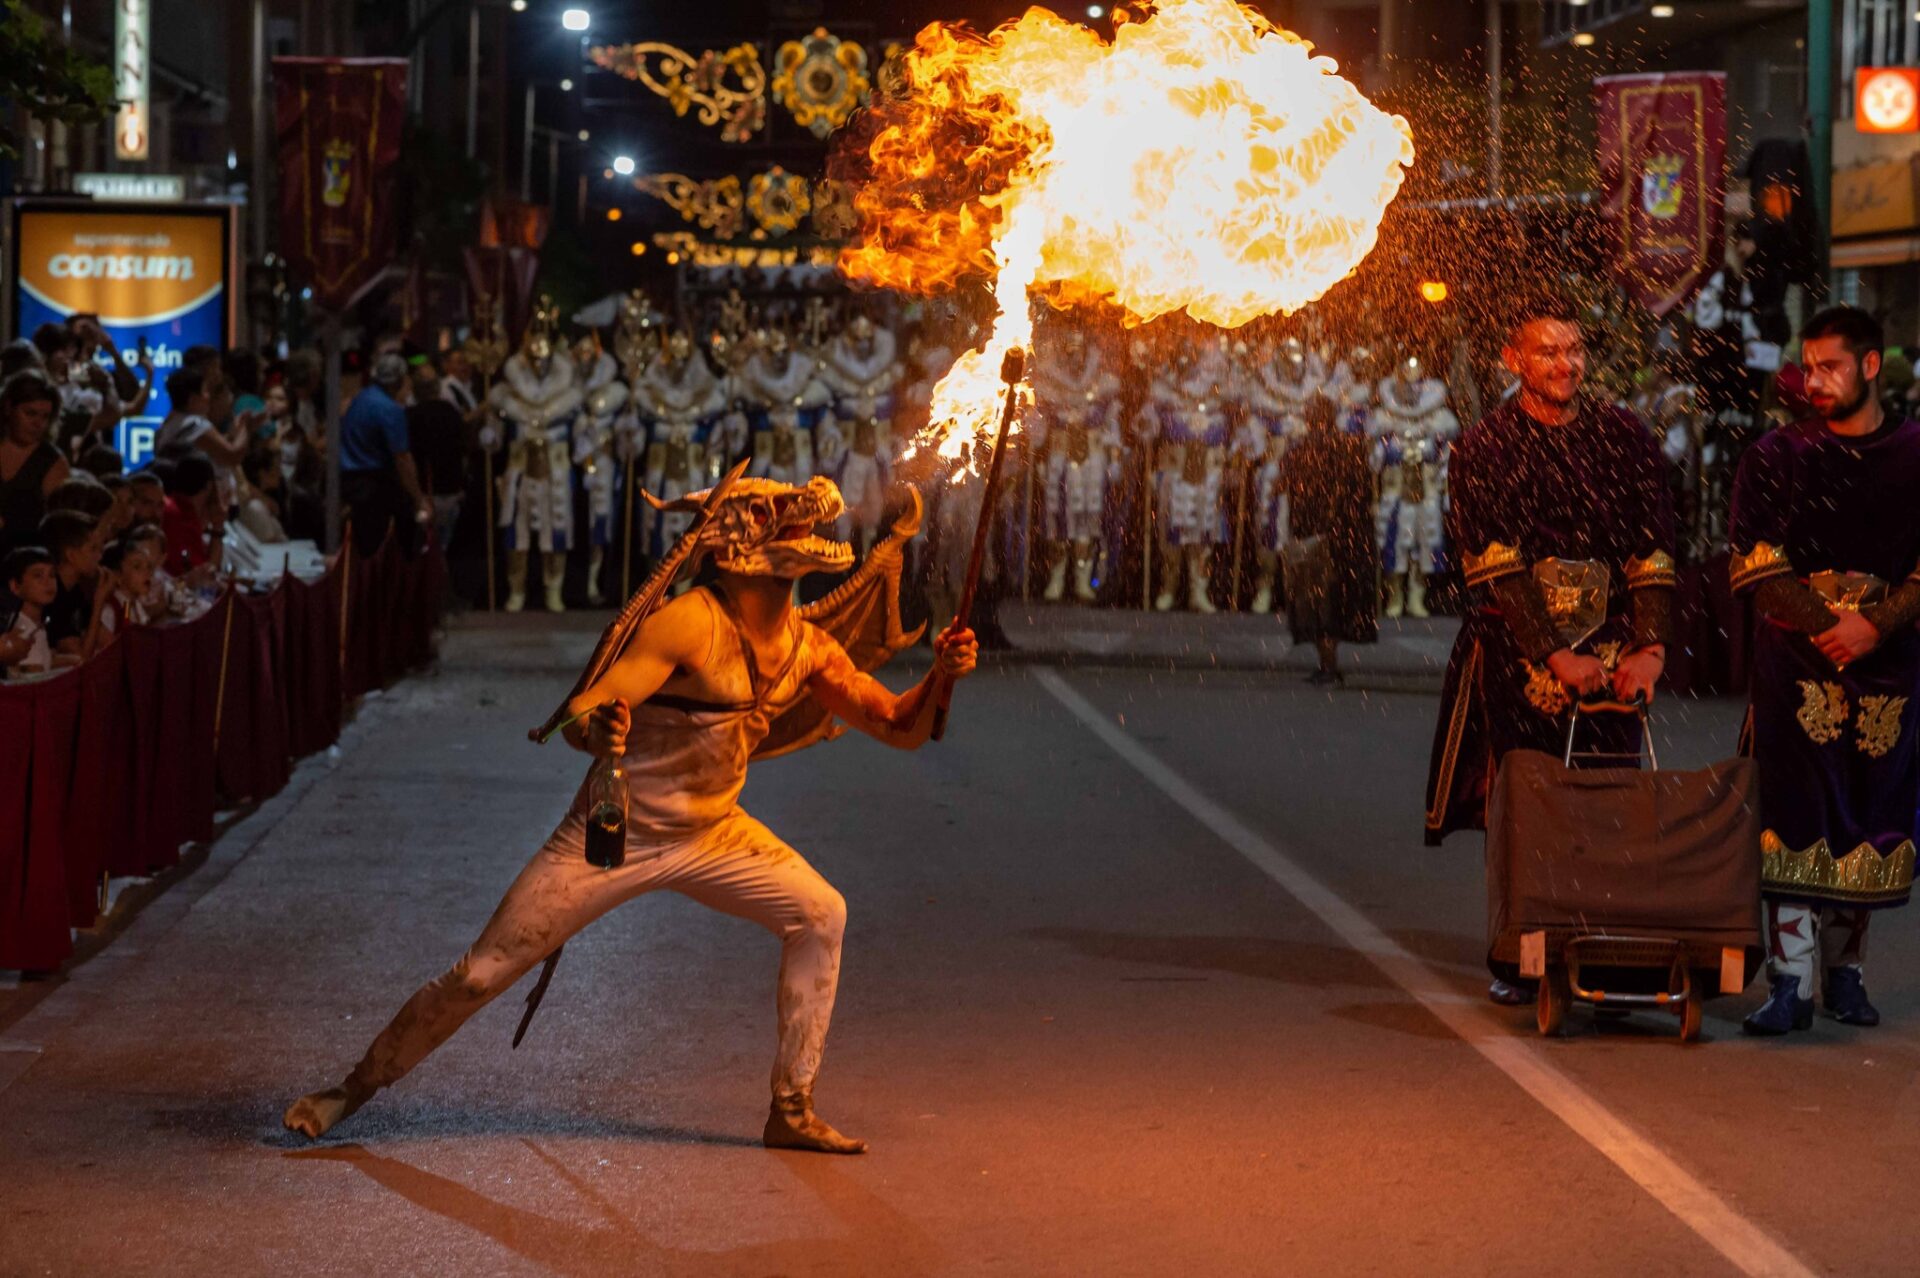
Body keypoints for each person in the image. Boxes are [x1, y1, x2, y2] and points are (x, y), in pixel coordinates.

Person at [283, 476, 979, 1154]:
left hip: (715, 831)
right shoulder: (688, 624)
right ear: (733, 543)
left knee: (821, 913)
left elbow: (899, 726)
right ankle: (354, 1087)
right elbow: (581, 715)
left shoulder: (808, 645)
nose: (811, 512)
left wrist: (940, 676)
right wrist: (600, 729)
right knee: (477, 975)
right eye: (774, 514)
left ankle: (792, 1108)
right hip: (614, 834)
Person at [1422, 293, 1677, 1005]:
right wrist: (1555, 655)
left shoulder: (1625, 437)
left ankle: (1606, 951)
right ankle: (1523, 952)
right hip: (1519, 653)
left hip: (1614, 650)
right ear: (1514, 359)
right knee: (1526, 805)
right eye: (1547, 352)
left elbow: (1655, 547)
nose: (1565, 365)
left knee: (1610, 805)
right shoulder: (1485, 447)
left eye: (1574, 350)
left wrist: (1651, 649)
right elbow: (1496, 566)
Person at [1730, 306, 1920, 1035]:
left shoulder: (1914, 453)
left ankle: (1846, 974)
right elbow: (1755, 566)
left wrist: (1877, 625)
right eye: (1808, 366)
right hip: (1795, 669)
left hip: (1887, 671)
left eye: (1830, 366)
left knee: (1869, 817)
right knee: (1793, 817)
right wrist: (1829, 625)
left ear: (1869, 366)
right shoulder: (1777, 456)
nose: (1814, 380)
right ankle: (1790, 982)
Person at [1279, 394, 1378, 685]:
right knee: (1334, 600)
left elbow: (1285, 487)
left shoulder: (1300, 451)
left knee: (1319, 604)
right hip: (1345, 536)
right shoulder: (1350, 448)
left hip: (1314, 537)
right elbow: (1364, 491)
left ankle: (1328, 667)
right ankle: (1329, 664)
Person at [339, 352, 432, 559]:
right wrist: (418, 498)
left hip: (350, 482)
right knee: (385, 550)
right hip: (375, 487)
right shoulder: (390, 409)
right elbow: (402, 458)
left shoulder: (360, 399)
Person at [0, 369, 69, 557]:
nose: (38, 424)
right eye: (30, 413)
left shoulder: (53, 463)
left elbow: (59, 529)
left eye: (45, 417)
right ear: (8, 408)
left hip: (25, 562)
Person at [405, 357, 468, 553]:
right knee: (442, 549)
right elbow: (462, 451)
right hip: (450, 492)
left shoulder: (410, 417)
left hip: (424, 493)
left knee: (422, 551)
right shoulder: (452, 414)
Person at [37, 509, 103, 656]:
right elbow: (81, 657)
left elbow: (110, 639)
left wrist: (127, 604)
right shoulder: (53, 597)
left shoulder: (75, 592)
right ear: (71, 555)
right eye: (93, 549)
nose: (100, 556)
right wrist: (99, 601)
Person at [160, 453, 222, 576]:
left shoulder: (175, 509)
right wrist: (218, 527)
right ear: (209, 486)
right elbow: (206, 574)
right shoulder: (179, 517)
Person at [1, 546, 58, 676]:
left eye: (52, 575)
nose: (48, 582)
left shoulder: (36, 624)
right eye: (38, 576)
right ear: (15, 586)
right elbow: (35, 680)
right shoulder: (23, 629)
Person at [236, 449, 289, 543]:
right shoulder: (256, 507)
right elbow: (270, 544)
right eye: (277, 468)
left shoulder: (265, 501)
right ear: (262, 473)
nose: (280, 473)